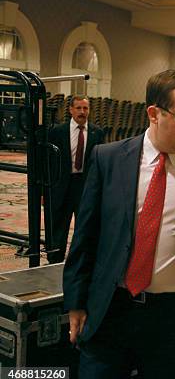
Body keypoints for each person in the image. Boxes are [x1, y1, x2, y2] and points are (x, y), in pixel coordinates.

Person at [63, 70, 175, 379]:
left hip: (172, 317)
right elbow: (86, 235)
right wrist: (76, 301)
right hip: (110, 308)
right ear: (154, 113)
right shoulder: (109, 159)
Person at [47, 95, 104, 263]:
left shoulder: (97, 133)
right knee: (59, 224)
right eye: (78, 108)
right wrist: (45, 190)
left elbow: (100, 163)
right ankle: (54, 259)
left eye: (85, 108)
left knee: (85, 224)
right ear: (71, 110)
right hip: (62, 184)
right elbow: (48, 161)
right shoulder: (57, 132)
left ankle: (82, 259)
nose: (82, 112)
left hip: (85, 185)